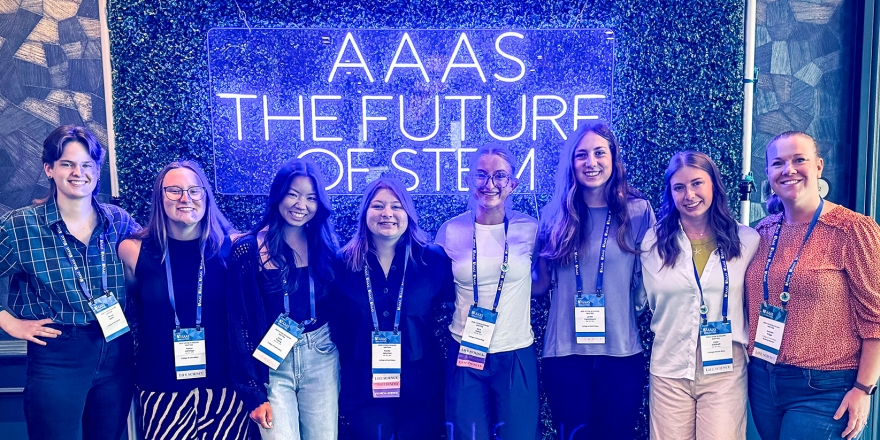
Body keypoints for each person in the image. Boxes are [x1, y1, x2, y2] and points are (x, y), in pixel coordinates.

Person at [0, 125, 139, 440]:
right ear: (49, 169)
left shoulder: (119, 221)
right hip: (58, 355)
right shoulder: (20, 225)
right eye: (67, 163)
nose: (79, 172)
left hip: (116, 350)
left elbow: (156, 267)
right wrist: (9, 322)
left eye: (87, 164)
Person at [746, 131, 880, 440]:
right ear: (768, 173)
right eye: (778, 163)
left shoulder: (852, 230)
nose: (788, 170)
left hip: (825, 386)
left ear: (818, 166)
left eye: (799, 160)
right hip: (762, 380)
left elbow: (876, 317)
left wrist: (863, 388)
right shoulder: (761, 233)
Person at [532, 121, 655, 439]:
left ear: (614, 159)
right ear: (571, 163)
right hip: (564, 357)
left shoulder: (639, 212)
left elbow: (650, 282)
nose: (591, 162)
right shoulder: (552, 216)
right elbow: (541, 283)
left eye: (600, 153)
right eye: (581, 155)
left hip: (621, 354)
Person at [118, 160, 249, 439]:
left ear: (205, 196)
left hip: (224, 390)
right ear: (160, 197)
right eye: (174, 190)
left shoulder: (233, 248)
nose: (185, 198)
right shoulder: (133, 251)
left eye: (194, 190)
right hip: (160, 388)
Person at [640, 151, 759, 439]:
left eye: (697, 184)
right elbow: (643, 300)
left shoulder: (747, 240)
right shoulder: (653, 242)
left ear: (714, 186)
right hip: (670, 363)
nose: (689, 194)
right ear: (670, 193)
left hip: (725, 368)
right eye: (679, 187)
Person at [331, 177, 453, 440]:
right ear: (365, 213)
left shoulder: (434, 260)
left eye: (396, 206)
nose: (387, 213)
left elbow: (446, 317)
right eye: (378, 206)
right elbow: (338, 327)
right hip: (363, 386)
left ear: (408, 213)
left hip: (423, 385)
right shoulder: (342, 264)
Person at [228, 158, 340, 440]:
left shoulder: (326, 246)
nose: (301, 205)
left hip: (321, 353)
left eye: (311, 198)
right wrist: (252, 389)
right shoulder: (248, 249)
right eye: (293, 194)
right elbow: (238, 321)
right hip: (272, 361)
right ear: (278, 194)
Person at [435, 143, 540, 440]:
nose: (489, 184)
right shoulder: (450, 231)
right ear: (469, 180)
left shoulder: (530, 229)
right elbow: (440, 289)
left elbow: (542, 282)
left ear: (512, 184)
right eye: (481, 175)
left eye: (499, 176)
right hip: (465, 351)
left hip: (516, 350)